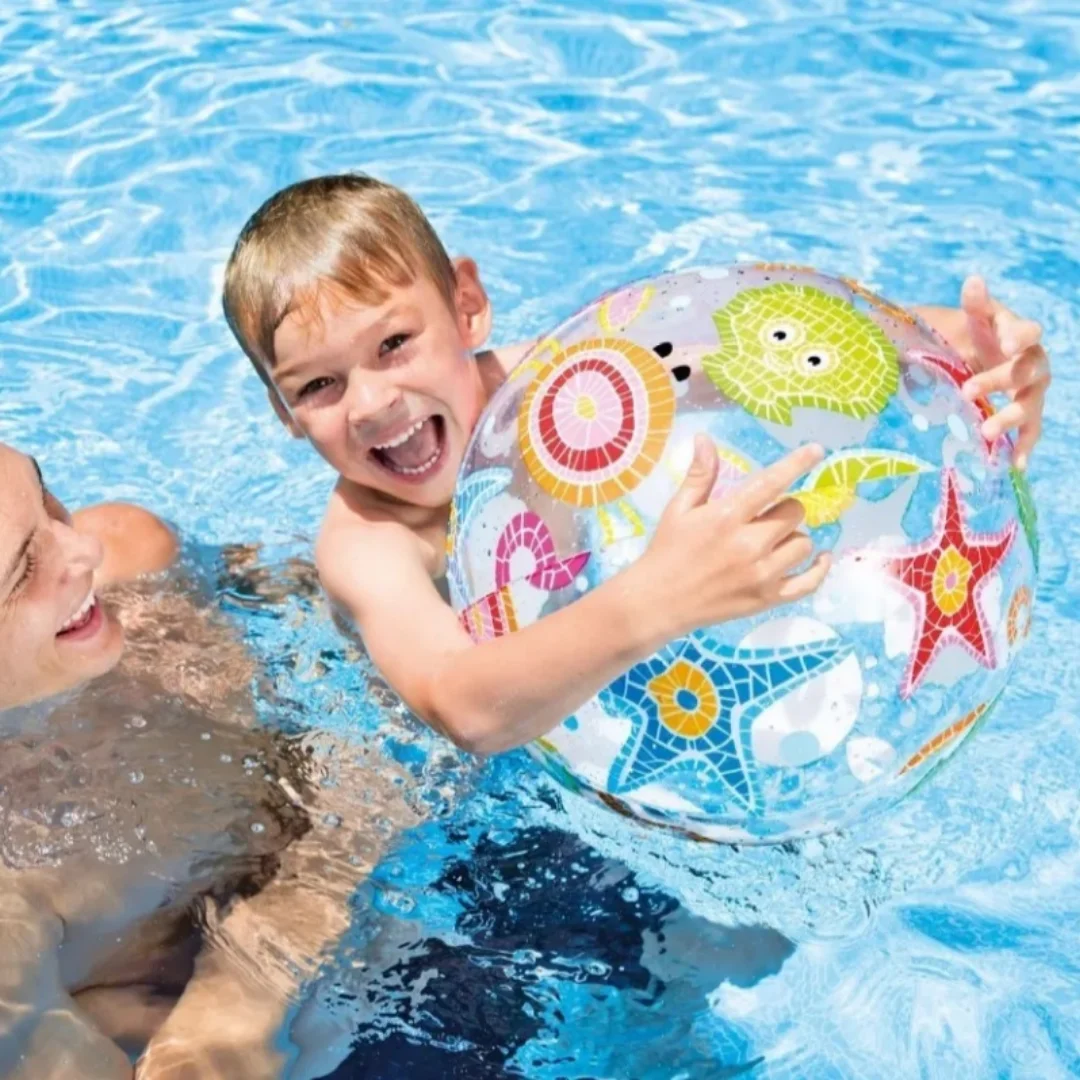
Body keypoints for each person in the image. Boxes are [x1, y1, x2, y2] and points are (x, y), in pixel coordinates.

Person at [222, 173, 1051, 756]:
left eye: (395, 343)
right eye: (318, 386)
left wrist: (981, 360)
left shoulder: (577, 386)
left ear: (466, 305)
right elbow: (463, 709)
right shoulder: (369, 540)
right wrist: (661, 598)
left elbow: (793, 344)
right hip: (420, 746)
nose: (370, 402)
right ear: (282, 413)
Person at [0, 442, 412, 1079]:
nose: (82, 548)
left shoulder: (140, 566)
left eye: (46, 496)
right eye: (25, 568)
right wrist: (244, 994)